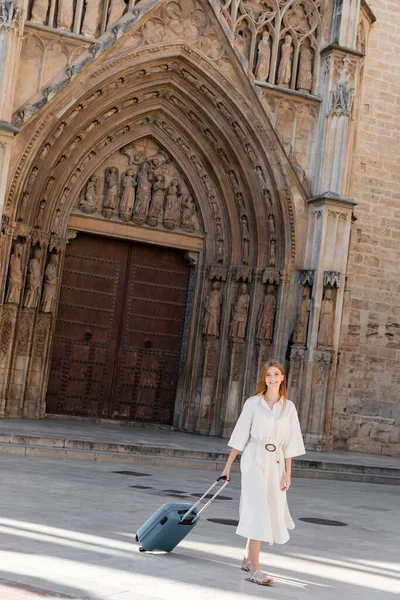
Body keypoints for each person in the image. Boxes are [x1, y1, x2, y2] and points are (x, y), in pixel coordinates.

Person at [221, 360, 305, 586]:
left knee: (266, 508)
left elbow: (291, 443)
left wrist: (288, 473)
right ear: (264, 378)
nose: (273, 378)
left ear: (283, 377)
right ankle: (256, 569)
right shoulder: (253, 403)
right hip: (254, 458)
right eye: (268, 375)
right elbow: (240, 435)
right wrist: (227, 466)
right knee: (257, 507)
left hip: (276, 461)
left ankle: (248, 559)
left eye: (276, 374)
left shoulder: (289, 407)